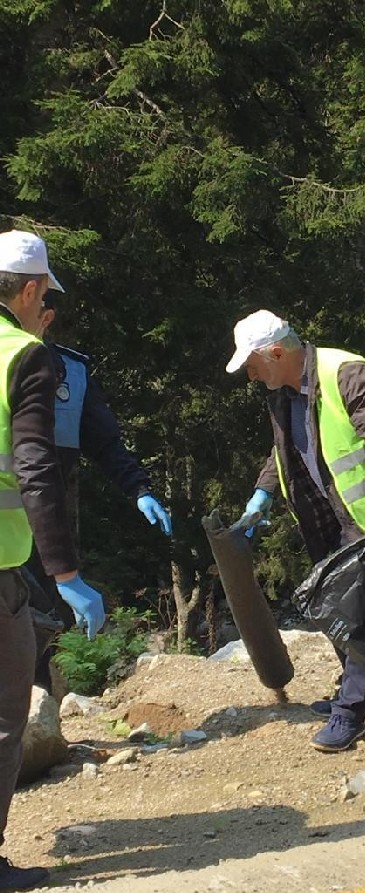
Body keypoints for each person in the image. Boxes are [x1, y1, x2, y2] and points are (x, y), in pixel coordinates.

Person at [227, 309, 365, 753]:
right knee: (337, 606)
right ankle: (358, 690)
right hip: (329, 515)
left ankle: (352, 711)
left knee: (361, 612)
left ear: (277, 353)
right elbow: (285, 449)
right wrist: (262, 493)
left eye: (252, 363)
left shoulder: (346, 373)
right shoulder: (283, 390)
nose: (249, 373)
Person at [0, 228, 106, 890]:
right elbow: (34, 468)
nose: (49, 314)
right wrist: (65, 573)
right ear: (32, 289)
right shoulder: (27, 356)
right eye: (47, 299)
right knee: (6, 713)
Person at [24, 295, 171, 690]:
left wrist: (139, 488)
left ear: (46, 317)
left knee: (41, 625)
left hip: (43, 529)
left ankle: (38, 725)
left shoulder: (73, 372)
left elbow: (105, 443)